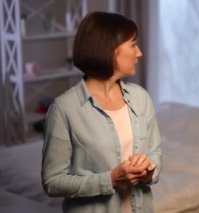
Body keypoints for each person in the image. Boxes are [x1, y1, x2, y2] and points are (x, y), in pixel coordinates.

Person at [41, 12, 162, 213]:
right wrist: (111, 179)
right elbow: (52, 182)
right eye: (133, 45)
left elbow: (154, 154)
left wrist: (148, 172)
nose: (139, 52)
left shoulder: (141, 98)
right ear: (110, 50)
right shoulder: (64, 109)